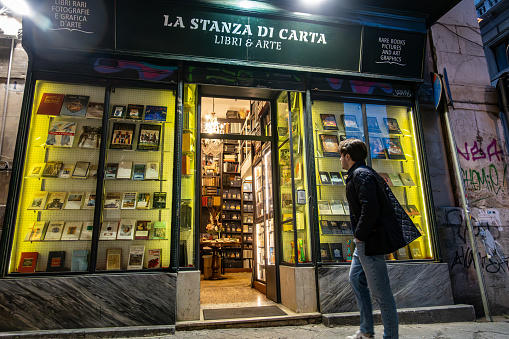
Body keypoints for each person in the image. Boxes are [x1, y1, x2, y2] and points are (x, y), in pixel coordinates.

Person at [340, 138, 399, 339]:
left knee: (381, 293)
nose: (340, 158)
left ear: (348, 156)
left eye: (341, 155)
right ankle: (366, 332)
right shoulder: (359, 173)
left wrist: (360, 236)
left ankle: (390, 336)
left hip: (369, 241)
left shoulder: (361, 175)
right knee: (356, 279)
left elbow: (370, 209)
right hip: (364, 241)